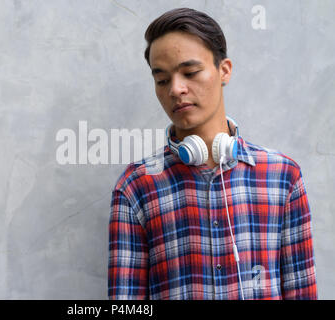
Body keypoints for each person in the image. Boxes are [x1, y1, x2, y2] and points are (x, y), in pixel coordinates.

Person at [108, 7, 317, 300]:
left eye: (190, 72)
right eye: (162, 80)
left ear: (224, 71)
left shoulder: (283, 177)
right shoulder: (135, 186)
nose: (176, 89)